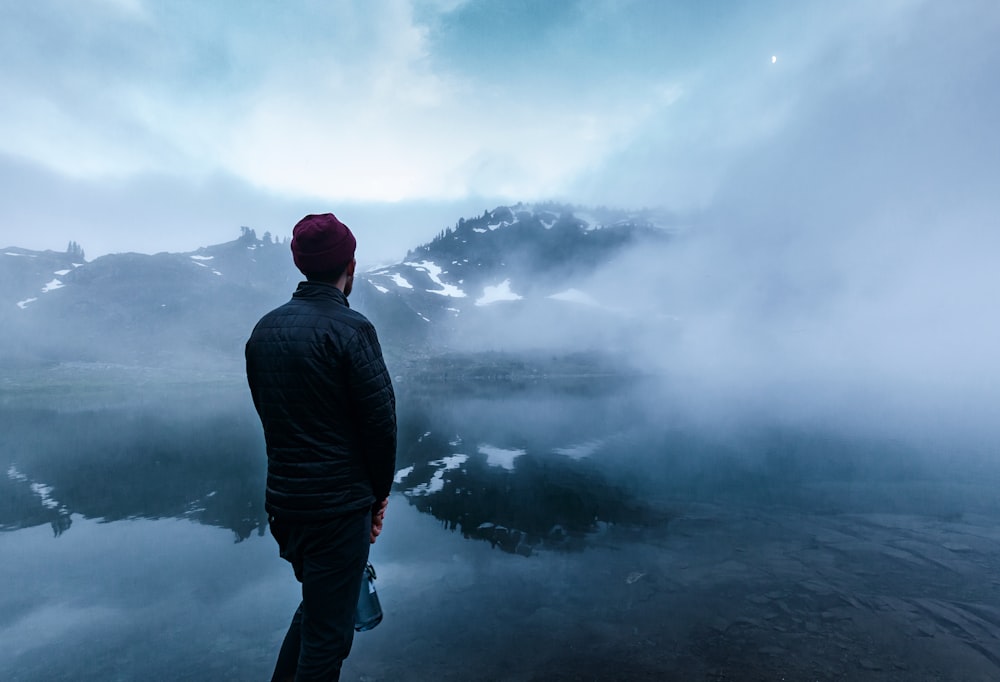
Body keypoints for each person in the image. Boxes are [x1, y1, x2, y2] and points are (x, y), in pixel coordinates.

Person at [245, 213, 397, 681]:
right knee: (329, 640)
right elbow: (380, 427)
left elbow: (276, 422)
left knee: (317, 610)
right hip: (337, 511)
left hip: (287, 510)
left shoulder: (263, 332)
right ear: (350, 266)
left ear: (301, 265)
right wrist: (376, 499)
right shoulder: (352, 330)